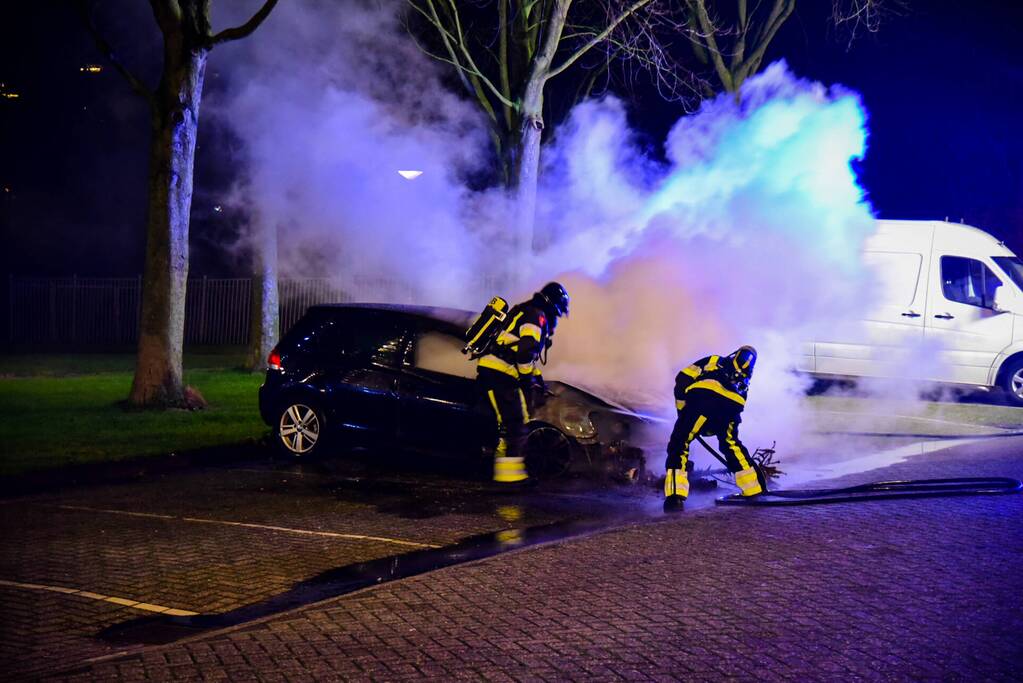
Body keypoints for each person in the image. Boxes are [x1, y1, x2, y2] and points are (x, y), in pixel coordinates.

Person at [477, 282, 569, 483]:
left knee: (507, 424)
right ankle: (510, 478)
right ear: (553, 306)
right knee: (516, 424)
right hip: (501, 372)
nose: (558, 319)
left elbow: (521, 352)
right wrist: (527, 380)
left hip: (496, 370)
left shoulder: (526, 310)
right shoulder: (536, 316)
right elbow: (525, 352)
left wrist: (538, 379)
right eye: (559, 312)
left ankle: (500, 471)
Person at [664, 345, 761, 511]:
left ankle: (675, 498)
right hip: (730, 407)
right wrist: (713, 426)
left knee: (680, 443)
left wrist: (682, 410)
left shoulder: (715, 360)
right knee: (730, 443)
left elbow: (683, 378)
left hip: (702, 401)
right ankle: (754, 490)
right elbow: (738, 406)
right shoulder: (745, 382)